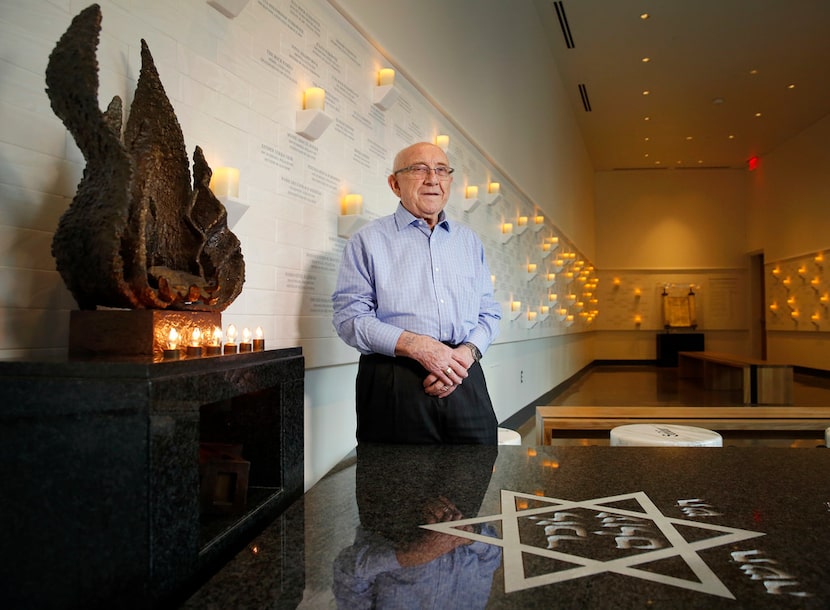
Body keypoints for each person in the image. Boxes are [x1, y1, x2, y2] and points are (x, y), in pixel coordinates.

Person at [332, 141, 501, 444]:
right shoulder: (366, 241)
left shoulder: (469, 242)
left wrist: (466, 354)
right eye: (419, 169)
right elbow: (349, 318)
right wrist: (418, 346)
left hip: (464, 373)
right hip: (394, 378)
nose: (432, 179)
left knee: (474, 478)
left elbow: (489, 312)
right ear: (394, 184)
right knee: (392, 486)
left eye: (441, 170)